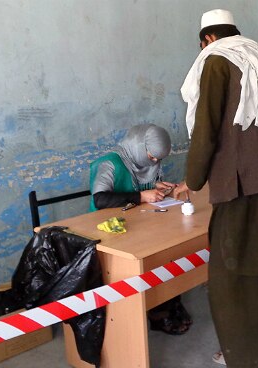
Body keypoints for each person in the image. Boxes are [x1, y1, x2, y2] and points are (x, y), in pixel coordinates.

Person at [177, 9, 258, 368]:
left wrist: (192, 181)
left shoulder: (216, 61)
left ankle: (242, 359)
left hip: (240, 188)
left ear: (208, 40)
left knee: (230, 278)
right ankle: (256, 351)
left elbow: (207, 129)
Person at [89, 123, 193, 335]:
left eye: (157, 159)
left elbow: (135, 187)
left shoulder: (141, 161)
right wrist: (141, 196)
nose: (154, 162)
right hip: (108, 232)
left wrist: (154, 188)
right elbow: (100, 199)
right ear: (137, 145)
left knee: (167, 250)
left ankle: (169, 303)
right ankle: (158, 312)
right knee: (153, 258)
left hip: (135, 225)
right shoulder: (109, 163)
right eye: (151, 157)